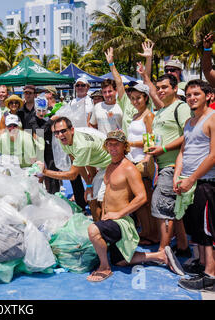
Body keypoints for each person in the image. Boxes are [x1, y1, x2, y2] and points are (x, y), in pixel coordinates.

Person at [86, 130, 180, 282]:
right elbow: (108, 195)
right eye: (109, 144)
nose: (112, 148)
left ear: (125, 147)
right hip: (110, 219)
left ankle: (104, 267)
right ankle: (159, 256)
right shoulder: (110, 166)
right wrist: (104, 213)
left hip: (122, 221)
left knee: (92, 230)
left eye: (116, 144)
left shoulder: (129, 168)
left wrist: (118, 214)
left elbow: (142, 197)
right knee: (121, 261)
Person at [106, 46, 158, 245]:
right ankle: (146, 232)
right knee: (139, 203)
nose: (135, 100)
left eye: (139, 98)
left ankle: (151, 234)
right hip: (132, 161)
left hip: (143, 162)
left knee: (144, 200)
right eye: (133, 98)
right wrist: (111, 63)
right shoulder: (134, 113)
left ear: (146, 98)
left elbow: (152, 141)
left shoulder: (148, 115)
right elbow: (118, 82)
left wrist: (134, 148)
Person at [141, 71, 193, 257]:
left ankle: (163, 251)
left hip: (174, 165)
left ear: (174, 88)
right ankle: (183, 245)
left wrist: (162, 149)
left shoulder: (181, 107)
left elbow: (188, 135)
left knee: (162, 206)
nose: (161, 91)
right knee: (173, 208)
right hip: (161, 165)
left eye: (165, 87)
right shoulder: (161, 110)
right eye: (159, 88)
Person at [172, 80, 215, 291]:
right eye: (188, 95)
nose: (191, 98)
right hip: (189, 184)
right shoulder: (189, 122)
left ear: (208, 96)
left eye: (196, 94)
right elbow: (183, 152)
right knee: (197, 229)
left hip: (205, 184)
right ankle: (202, 264)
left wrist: (191, 179)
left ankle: (211, 276)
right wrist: (178, 176)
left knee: (207, 231)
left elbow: (213, 155)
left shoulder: (212, 119)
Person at [36, 117, 112, 221]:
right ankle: (98, 226)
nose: (60, 135)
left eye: (63, 131)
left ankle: (105, 227)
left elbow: (72, 175)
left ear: (72, 130)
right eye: (57, 132)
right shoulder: (64, 141)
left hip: (112, 164)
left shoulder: (81, 146)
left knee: (102, 200)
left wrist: (45, 172)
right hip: (100, 164)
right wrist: (89, 184)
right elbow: (82, 163)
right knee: (91, 198)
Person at [28, 97, 62, 195]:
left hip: (50, 148)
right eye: (39, 111)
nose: (42, 113)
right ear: (35, 109)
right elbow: (39, 132)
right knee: (39, 173)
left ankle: (55, 193)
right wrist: (50, 121)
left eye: (44, 110)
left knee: (53, 170)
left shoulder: (49, 115)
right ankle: (42, 194)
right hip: (39, 149)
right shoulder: (33, 120)